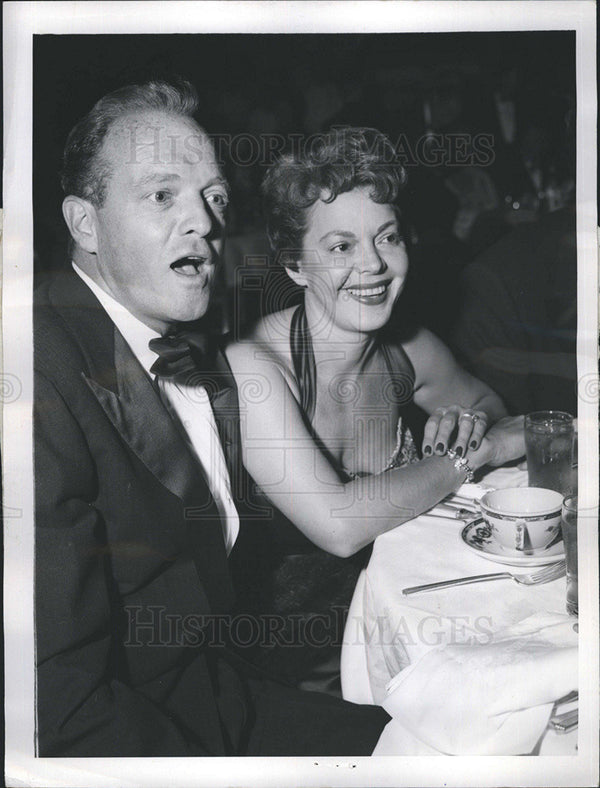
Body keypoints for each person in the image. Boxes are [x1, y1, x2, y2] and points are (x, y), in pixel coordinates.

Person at [34, 80, 394, 757]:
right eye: (162, 194)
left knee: (448, 749)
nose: (204, 220)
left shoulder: (186, 346)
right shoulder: (33, 375)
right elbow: (50, 706)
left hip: (217, 696)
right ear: (84, 224)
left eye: (215, 196)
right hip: (135, 738)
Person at [224, 127, 526, 690]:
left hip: (403, 628)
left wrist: (474, 423)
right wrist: (472, 456)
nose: (374, 266)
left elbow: (494, 406)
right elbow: (340, 526)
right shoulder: (255, 369)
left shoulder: (408, 349)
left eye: (387, 238)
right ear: (295, 266)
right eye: (341, 247)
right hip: (285, 678)